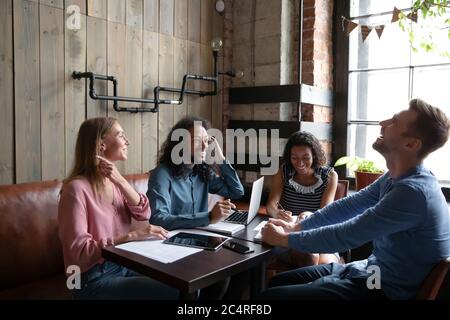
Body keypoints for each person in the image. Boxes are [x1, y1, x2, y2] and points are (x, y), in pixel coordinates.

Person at [260, 98, 450, 300]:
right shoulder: (395, 176)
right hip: (368, 271)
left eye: (393, 121)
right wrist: (295, 228)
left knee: (270, 297)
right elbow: (347, 206)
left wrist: (283, 239)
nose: (382, 123)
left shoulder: (413, 193)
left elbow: (347, 234)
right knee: (278, 282)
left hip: (382, 289)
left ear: (411, 144)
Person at [58, 117, 178, 300]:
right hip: (89, 279)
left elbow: (145, 213)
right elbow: (79, 253)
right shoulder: (75, 190)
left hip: (123, 265)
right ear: (101, 145)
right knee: (174, 292)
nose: (127, 141)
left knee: (182, 284)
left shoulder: (115, 183)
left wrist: (120, 180)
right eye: (121, 135)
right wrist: (131, 236)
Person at [147, 116, 245, 299]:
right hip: (172, 245)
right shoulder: (162, 174)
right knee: (220, 277)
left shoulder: (202, 172)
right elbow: (159, 219)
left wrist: (221, 158)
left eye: (207, 141)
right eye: (198, 141)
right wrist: (208, 216)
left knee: (238, 269)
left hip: (200, 241)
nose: (205, 146)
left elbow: (237, 191)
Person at [266, 131, 340, 267]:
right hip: (288, 235)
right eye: (294, 157)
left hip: (319, 233)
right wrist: (277, 213)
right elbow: (271, 204)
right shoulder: (283, 172)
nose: (300, 163)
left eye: (306, 157)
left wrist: (308, 215)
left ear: (314, 156)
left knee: (323, 264)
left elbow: (325, 213)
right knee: (307, 255)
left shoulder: (329, 176)